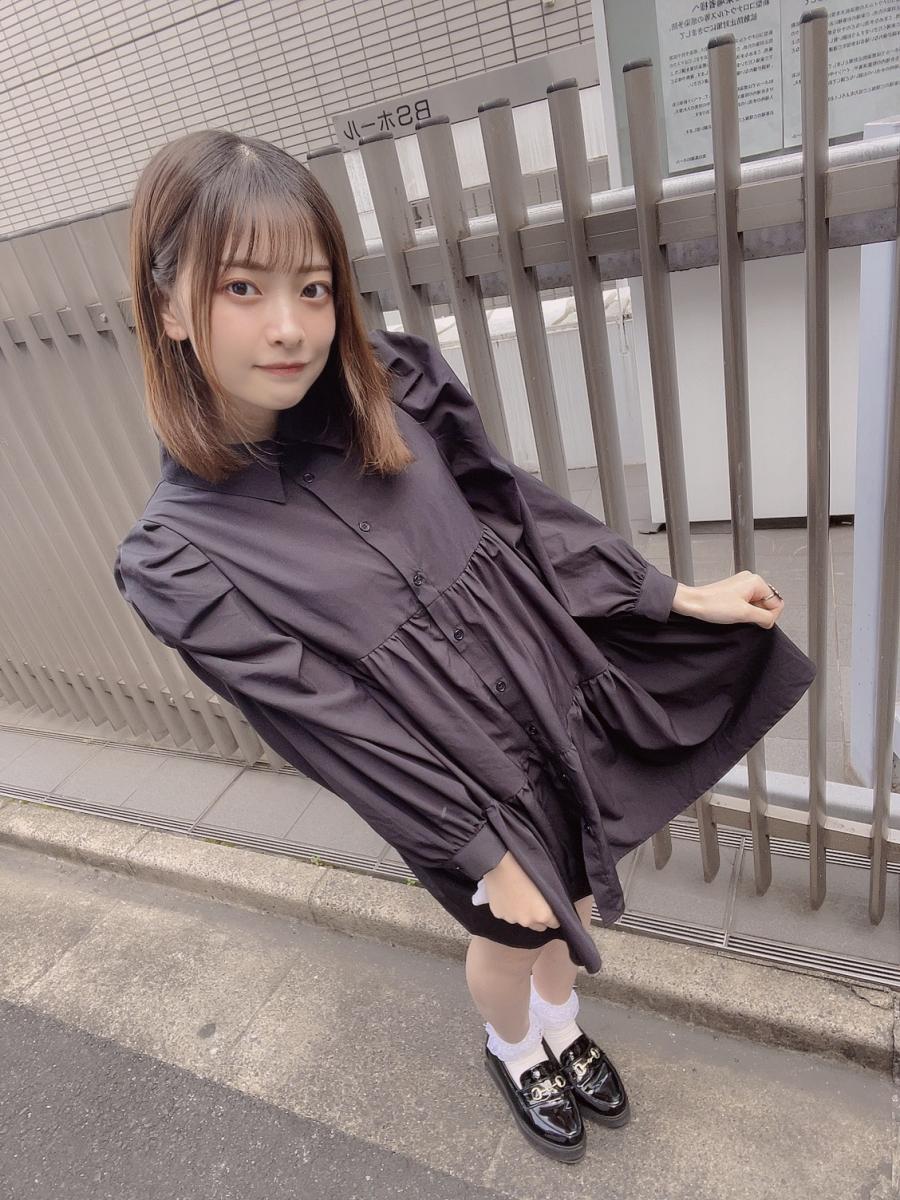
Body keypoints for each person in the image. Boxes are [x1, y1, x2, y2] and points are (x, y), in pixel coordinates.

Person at [113, 129, 816, 1164]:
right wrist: (481, 846)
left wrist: (670, 595)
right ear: (168, 305)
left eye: (314, 288)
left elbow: (520, 515)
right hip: (445, 767)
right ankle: (514, 1047)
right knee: (513, 925)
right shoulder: (177, 555)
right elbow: (327, 723)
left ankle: (562, 1025)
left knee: (578, 892)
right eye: (242, 288)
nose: (290, 326)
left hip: (546, 681)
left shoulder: (393, 382)